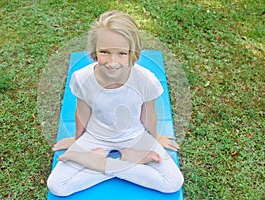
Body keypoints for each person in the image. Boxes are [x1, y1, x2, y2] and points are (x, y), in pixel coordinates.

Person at [47, 10, 184, 197]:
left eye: (121, 53)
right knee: (57, 185)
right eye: (104, 52)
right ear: (94, 50)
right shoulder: (82, 78)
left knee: (173, 182)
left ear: (133, 52)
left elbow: (149, 115)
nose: (112, 62)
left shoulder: (145, 80)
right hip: (96, 137)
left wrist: (155, 138)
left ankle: (96, 161)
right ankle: (127, 161)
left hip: (134, 136)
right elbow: (82, 113)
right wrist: (77, 141)